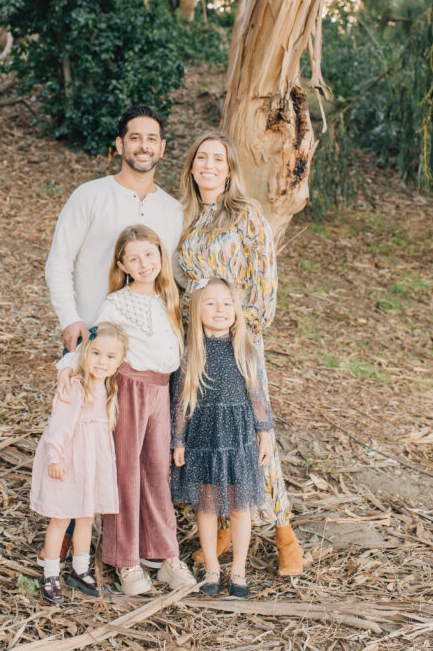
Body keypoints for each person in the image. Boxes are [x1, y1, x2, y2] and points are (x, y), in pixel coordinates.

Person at [177, 130, 303, 577]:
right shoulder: (188, 222)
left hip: (239, 343)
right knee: (214, 434)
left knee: (253, 435)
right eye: (201, 158)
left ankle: (283, 530)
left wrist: (238, 336)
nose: (209, 165)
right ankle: (229, 523)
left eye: (218, 159)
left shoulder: (247, 217)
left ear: (230, 169)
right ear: (192, 166)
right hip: (198, 347)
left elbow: (264, 289)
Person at [57, 225, 195, 596]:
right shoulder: (116, 303)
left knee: (156, 471)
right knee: (125, 472)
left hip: (161, 390)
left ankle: (163, 555)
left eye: (150, 255)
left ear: (161, 257)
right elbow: (92, 342)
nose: (144, 263)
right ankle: (124, 560)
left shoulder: (170, 298)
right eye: (134, 258)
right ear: (122, 264)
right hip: (130, 388)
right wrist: (67, 367)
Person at [45, 105, 183, 353]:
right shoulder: (89, 196)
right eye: (135, 138)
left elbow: (171, 279)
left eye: (151, 139)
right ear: (120, 145)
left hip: (148, 349)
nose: (143, 146)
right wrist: (69, 319)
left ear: (161, 148)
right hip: (92, 336)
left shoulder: (173, 211)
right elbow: (59, 259)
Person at [172, 278, 274, 598]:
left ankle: (239, 570)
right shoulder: (191, 354)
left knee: (240, 507)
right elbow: (182, 403)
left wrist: (265, 435)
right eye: (211, 303)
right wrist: (178, 440)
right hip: (204, 437)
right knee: (207, 505)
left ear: (236, 311)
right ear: (197, 310)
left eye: (227, 304)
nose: (220, 310)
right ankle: (213, 567)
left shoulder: (244, 348)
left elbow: (258, 396)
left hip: (240, 437)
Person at [30, 322, 128, 604]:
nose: (102, 362)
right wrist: (55, 456)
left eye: (111, 357)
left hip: (92, 464)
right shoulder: (75, 385)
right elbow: (59, 425)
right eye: (96, 353)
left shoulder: (109, 389)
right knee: (61, 518)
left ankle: (80, 570)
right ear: (84, 353)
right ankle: (50, 574)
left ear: (119, 362)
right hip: (70, 462)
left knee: (86, 517)